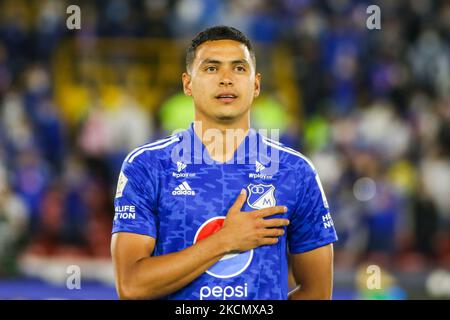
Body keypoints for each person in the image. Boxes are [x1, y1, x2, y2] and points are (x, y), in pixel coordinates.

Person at [111, 26, 338, 300]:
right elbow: (132, 286)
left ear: (256, 84)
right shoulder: (147, 167)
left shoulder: (296, 172)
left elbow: (318, 292)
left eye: (239, 68)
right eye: (211, 68)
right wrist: (226, 240)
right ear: (187, 84)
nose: (226, 79)